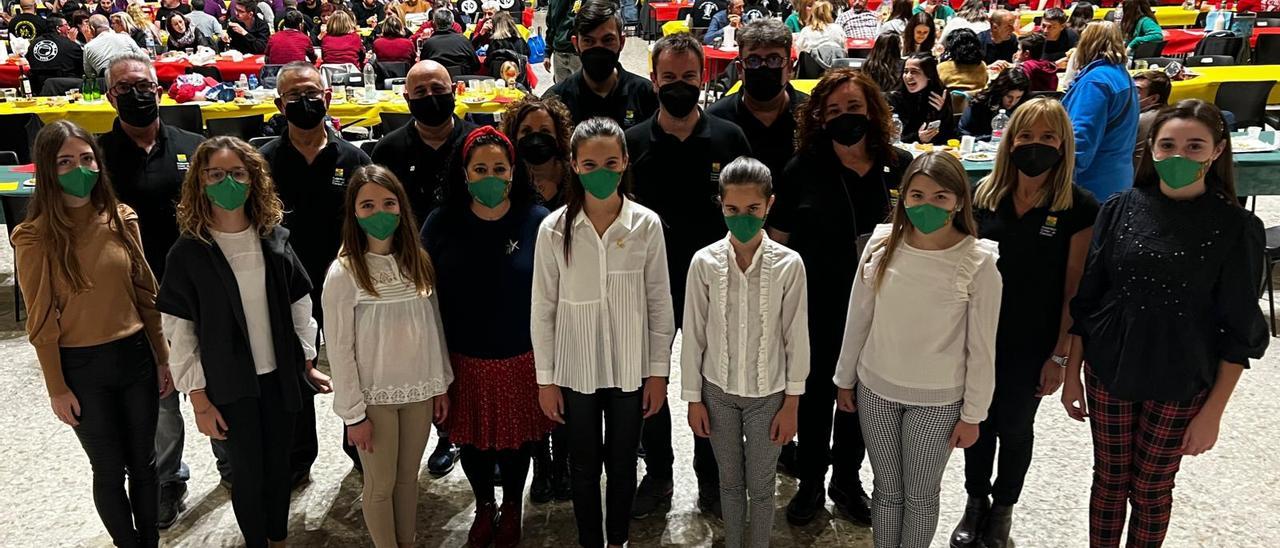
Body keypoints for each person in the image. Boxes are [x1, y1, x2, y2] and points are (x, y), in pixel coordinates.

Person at [1066, 99, 1268, 548]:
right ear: (1151, 150)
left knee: (1153, 488)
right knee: (1109, 480)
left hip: (1182, 374)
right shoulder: (1119, 208)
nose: (1179, 157)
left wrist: (1213, 412)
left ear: (1217, 151)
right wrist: (1070, 375)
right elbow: (1090, 299)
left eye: (1194, 146)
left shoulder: (1236, 227)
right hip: (1110, 365)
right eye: (1168, 145)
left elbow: (1238, 330)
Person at [833, 151, 1001, 548]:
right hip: (877, 389)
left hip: (937, 401)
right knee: (887, 491)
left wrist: (974, 413)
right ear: (903, 197)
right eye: (918, 195)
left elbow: (982, 347)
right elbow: (859, 315)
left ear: (959, 200)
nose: (927, 205)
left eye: (940, 197)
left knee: (921, 495)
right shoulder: (881, 245)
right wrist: (845, 378)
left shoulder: (977, 261)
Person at [15, 120, 169, 548]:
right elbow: (41, 321)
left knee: (145, 464)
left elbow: (146, 295)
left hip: (135, 355)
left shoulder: (121, 219)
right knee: (109, 466)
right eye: (65, 162)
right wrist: (56, 387)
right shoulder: (34, 238)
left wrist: (161, 357)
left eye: (86, 159)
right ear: (47, 170)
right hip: (82, 368)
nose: (79, 169)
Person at [768, 68, 910, 528]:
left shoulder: (901, 167)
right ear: (818, 119)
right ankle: (810, 480)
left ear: (873, 111)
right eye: (834, 111)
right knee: (814, 400)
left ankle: (847, 480)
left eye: (854, 108)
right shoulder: (801, 169)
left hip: (880, 313)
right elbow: (777, 241)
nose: (846, 118)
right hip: (816, 309)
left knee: (859, 402)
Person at [953, 98, 1097, 548]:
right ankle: (974, 502)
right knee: (976, 420)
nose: (1035, 146)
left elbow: (1075, 290)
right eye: (1026, 136)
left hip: (1033, 341)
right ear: (1009, 141)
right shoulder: (983, 196)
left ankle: (1002, 510)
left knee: (1014, 427)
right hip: (979, 335)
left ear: (1064, 145)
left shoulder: (1079, 207)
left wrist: (1060, 355)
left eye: (1048, 138)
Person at [159, 136, 317, 548]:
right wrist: (198, 399)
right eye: (216, 174)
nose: (227, 182)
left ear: (253, 180)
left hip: (278, 375)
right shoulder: (188, 253)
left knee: (280, 465)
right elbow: (180, 331)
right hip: (229, 385)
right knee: (247, 472)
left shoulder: (274, 239)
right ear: (200, 182)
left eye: (237, 173)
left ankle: (278, 537)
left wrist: (307, 359)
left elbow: (300, 302)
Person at [531, 115, 675, 548]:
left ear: (625, 161)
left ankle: (619, 539)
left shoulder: (646, 225)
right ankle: (590, 539)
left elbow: (659, 304)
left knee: (623, 460)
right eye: (589, 164)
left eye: (611, 162)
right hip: (576, 370)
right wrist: (546, 380)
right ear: (573, 164)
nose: (601, 173)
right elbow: (543, 309)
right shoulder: (554, 230)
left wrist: (657, 373)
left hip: (631, 369)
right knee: (582, 463)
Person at [626, 32, 752, 520]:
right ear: (653, 79)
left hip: (715, 285)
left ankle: (712, 479)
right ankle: (657, 474)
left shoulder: (729, 139)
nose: (679, 85)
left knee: (713, 385)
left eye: (689, 77)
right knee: (648, 380)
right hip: (647, 286)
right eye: (669, 77)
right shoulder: (633, 144)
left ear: (705, 79)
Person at [419, 126, 555, 547]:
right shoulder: (441, 222)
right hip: (464, 357)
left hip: (521, 356)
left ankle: (512, 505)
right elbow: (423, 294)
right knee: (473, 442)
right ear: (464, 173)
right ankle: (484, 505)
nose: (490, 176)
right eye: (480, 168)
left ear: (514, 171)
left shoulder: (537, 221)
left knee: (518, 443)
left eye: (499, 167)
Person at [97, 54, 209, 530]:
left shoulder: (194, 147)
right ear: (109, 96)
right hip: (135, 297)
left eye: (143, 85)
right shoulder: (97, 155)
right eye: (124, 88)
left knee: (215, 381)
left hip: (198, 290)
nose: (136, 94)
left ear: (158, 89)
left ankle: (231, 466)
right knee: (160, 397)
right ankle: (168, 479)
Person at [682, 156, 809, 548]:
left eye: (753, 209)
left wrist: (792, 404)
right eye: (733, 209)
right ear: (720, 205)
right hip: (717, 392)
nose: (743, 218)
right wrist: (692, 400)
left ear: (769, 204)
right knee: (729, 483)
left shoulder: (789, 265)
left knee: (762, 484)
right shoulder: (703, 263)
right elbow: (694, 337)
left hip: (767, 397)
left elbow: (796, 338)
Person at [324, 164, 452, 548]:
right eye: (367, 205)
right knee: (380, 485)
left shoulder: (418, 262)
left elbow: (433, 329)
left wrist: (440, 384)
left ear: (401, 209)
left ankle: (406, 542)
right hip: (375, 398)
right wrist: (353, 414)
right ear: (354, 213)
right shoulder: (344, 273)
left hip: (418, 391)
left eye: (388, 203)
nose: (379, 213)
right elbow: (339, 350)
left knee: (407, 478)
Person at [257, 61, 373, 479]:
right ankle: (297, 455)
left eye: (312, 94)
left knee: (351, 363)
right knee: (294, 367)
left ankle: (357, 445)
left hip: (344, 280)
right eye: (293, 97)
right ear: (279, 104)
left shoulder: (354, 158)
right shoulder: (263, 162)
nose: (304, 102)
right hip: (284, 285)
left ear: (327, 98)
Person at [371, 59, 480, 224]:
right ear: (408, 99)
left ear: (453, 91)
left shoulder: (479, 143)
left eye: (437, 89)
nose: (430, 96)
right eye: (420, 92)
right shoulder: (388, 150)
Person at [707, 18, 806, 186]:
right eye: (753, 60)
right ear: (739, 69)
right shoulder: (716, 119)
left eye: (774, 59)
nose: (763, 67)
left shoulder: (811, 113)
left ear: (790, 68)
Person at [543, 0, 657, 130]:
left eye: (607, 40)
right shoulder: (557, 101)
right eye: (588, 41)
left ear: (622, 41)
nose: (598, 48)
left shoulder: (646, 95)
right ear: (576, 44)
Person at [1061, 22, 1138, 199]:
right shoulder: (1122, 76)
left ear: (1086, 43)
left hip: (1091, 185)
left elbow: (1081, 138)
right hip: (1117, 178)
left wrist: (1058, 179)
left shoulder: (1095, 82)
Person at [503, 95, 576, 212]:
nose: (536, 139)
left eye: (545, 131)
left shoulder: (576, 178)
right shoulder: (506, 181)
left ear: (558, 137)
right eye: (526, 131)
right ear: (513, 138)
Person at [888, 53, 956, 145]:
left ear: (929, 75)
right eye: (905, 71)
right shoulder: (894, 98)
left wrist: (942, 113)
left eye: (914, 72)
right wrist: (917, 137)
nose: (908, 76)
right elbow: (892, 138)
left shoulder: (939, 95)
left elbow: (949, 135)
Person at [959, 67, 1030, 140]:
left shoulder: (1020, 107)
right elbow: (963, 135)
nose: (1013, 102)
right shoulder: (980, 104)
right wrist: (997, 136)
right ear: (1000, 92)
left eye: (1018, 97)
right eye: (1009, 97)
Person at [26, 15, 85, 93]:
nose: (69, 27)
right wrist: (72, 43)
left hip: (39, 89)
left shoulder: (33, 44)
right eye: (66, 25)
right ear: (58, 29)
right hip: (66, 89)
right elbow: (83, 65)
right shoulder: (69, 45)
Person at [418, 8, 479, 75]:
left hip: (438, 81)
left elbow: (423, 66)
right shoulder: (464, 40)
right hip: (462, 81)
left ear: (434, 22)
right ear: (453, 22)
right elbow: (476, 66)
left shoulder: (429, 43)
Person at [1132, 70, 1171, 170]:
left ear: (1153, 99)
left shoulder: (1137, 120)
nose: (1129, 94)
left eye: (1136, 91)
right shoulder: (1170, 114)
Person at [860, 30, 903, 94]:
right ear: (896, 48)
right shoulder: (903, 65)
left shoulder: (867, 64)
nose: (902, 46)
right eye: (901, 44)